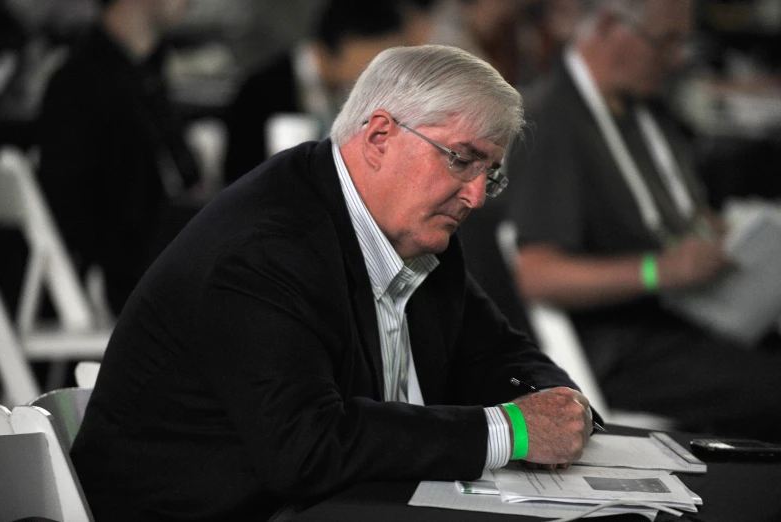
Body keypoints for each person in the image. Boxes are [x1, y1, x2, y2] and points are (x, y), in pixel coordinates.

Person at [71, 45, 597, 521]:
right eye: (463, 159)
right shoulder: (265, 248)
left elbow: (495, 352)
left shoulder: (415, 228)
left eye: (492, 174)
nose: (478, 196)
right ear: (380, 137)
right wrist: (511, 431)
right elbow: (308, 447)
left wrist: (554, 403)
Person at [507, 0, 781, 439]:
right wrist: (660, 270)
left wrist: (712, 231)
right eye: (666, 41)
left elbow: (665, 209)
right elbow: (535, 275)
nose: (678, 58)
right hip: (620, 344)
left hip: (684, 318)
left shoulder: (644, 108)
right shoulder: (552, 121)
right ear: (612, 27)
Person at [37, 0, 200, 315]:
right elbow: (75, 222)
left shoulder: (144, 75)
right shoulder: (79, 85)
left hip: (161, 276)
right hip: (128, 292)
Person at [223, 0, 409, 184]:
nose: (382, 71)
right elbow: (240, 176)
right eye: (377, 56)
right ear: (346, 43)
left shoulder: (350, 90)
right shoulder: (262, 91)